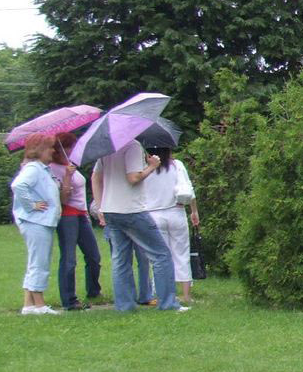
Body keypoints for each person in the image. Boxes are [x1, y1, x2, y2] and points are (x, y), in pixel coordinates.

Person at [92, 140, 182, 312]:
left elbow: (95, 177)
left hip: (111, 209)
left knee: (121, 259)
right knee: (161, 254)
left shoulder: (108, 148)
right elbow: (133, 178)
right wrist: (152, 166)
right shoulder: (132, 146)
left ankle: (124, 305)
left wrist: (99, 206)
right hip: (131, 209)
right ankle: (168, 303)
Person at [11, 133, 62, 315]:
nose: (53, 151)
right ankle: (40, 306)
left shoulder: (42, 169)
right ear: (40, 150)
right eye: (50, 147)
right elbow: (18, 185)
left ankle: (29, 306)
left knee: (35, 261)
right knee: (40, 262)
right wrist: (31, 205)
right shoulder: (34, 168)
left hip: (40, 221)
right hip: (35, 221)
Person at [144, 146, 201, 306]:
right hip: (176, 211)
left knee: (159, 256)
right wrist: (194, 211)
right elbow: (188, 189)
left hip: (154, 214)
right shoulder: (177, 165)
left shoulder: (146, 168)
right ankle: (186, 295)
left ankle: (160, 293)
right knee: (181, 254)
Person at [49, 137, 100, 310]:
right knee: (69, 258)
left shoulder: (70, 164)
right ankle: (69, 299)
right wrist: (67, 176)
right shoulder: (53, 169)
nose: (72, 150)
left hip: (81, 214)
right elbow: (63, 198)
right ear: (59, 149)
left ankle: (94, 290)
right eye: (69, 147)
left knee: (93, 255)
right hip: (67, 215)